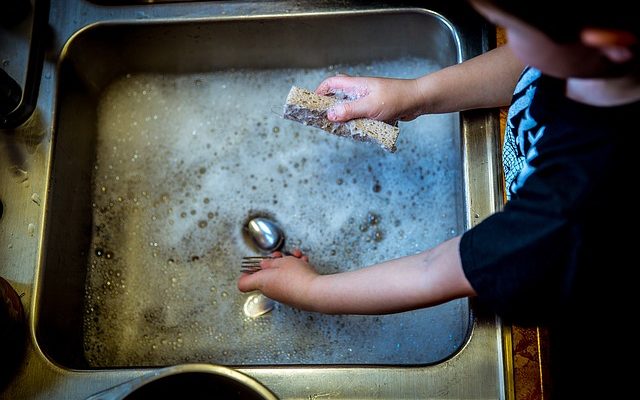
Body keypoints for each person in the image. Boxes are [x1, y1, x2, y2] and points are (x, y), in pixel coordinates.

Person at [239, 0, 639, 396]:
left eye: (512, 28)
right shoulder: (594, 64)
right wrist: (415, 95)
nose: (508, 40)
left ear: (609, 41)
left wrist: (312, 292)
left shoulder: (572, 210)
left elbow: (436, 269)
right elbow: (526, 66)